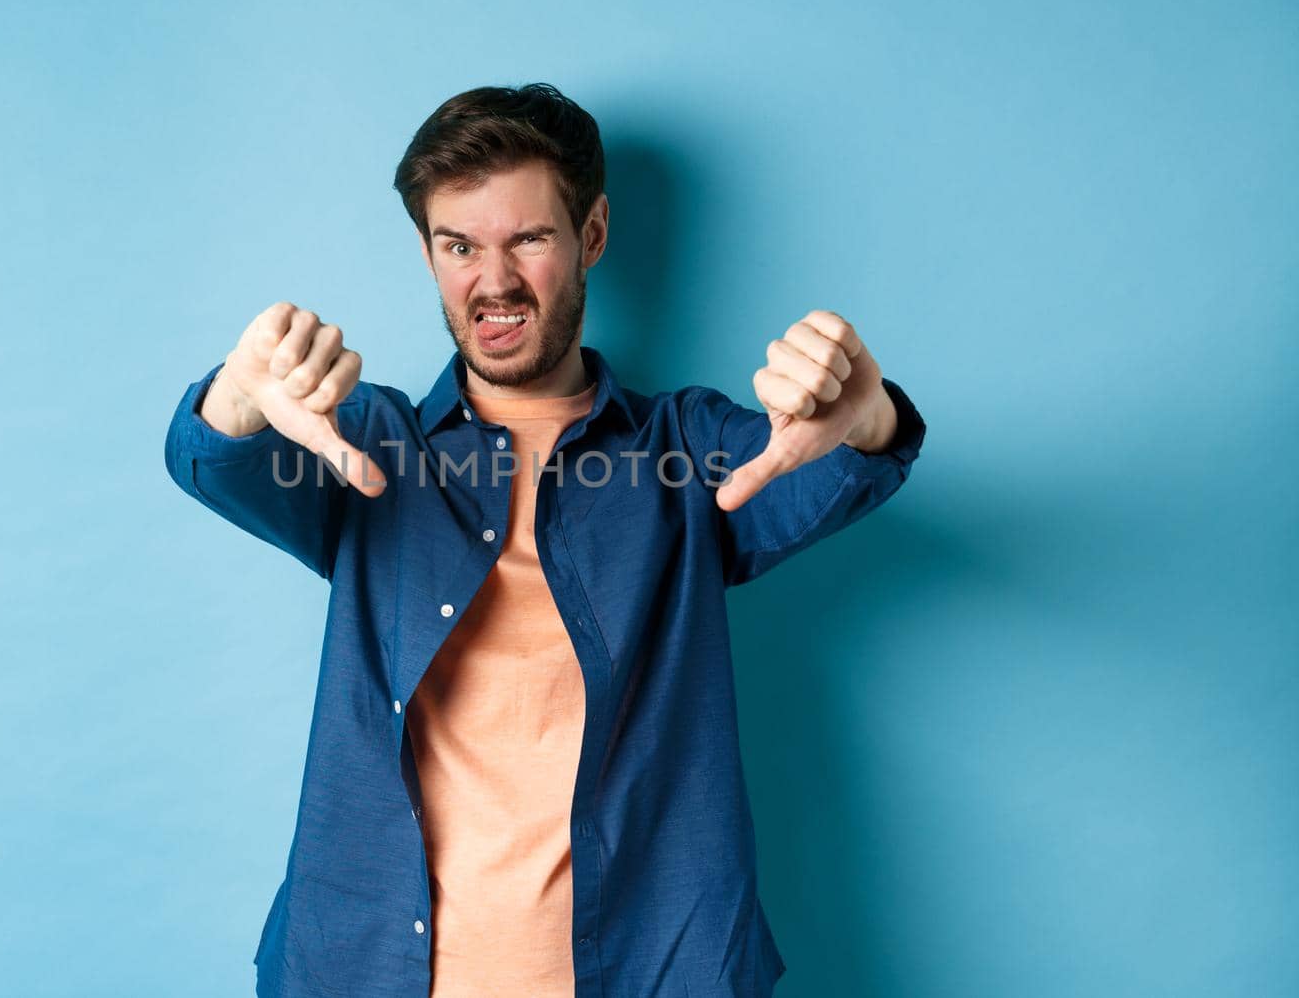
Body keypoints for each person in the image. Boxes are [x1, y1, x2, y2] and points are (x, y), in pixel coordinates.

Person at [163, 82, 926, 998]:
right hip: (372, 971)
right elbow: (216, 458)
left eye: (528, 238)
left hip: (647, 973)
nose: (494, 282)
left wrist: (865, 411)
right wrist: (239, 398)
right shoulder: (369, 447)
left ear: (592, 235)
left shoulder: (682, 451)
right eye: (459, 246)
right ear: (427, 252)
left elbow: (836, 462)